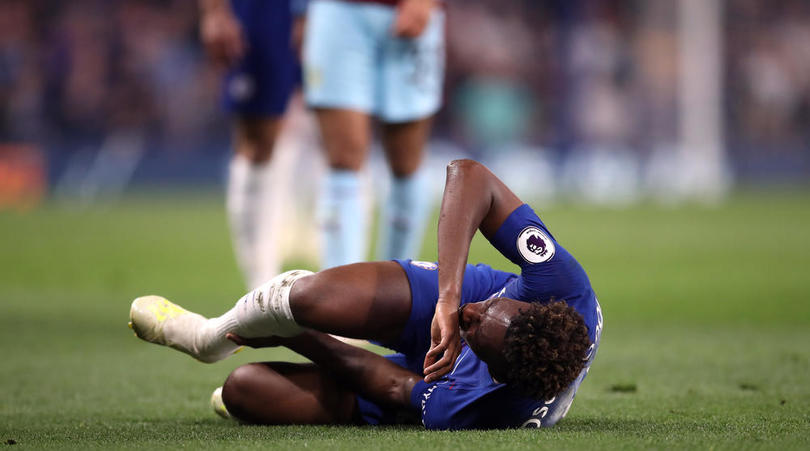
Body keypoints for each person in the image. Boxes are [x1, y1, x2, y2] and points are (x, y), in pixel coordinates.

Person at [129, 159, 603, 429]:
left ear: (495, 374)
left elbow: (391, 383)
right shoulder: (561, 285)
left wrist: (291, 336)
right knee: (310, 300)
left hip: (432, 377)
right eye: (491, 310)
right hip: (464, 300)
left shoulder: (479, 406)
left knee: (243, 392)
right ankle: (208, 337)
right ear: (529, 302)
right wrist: (449, 297)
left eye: (477, 331)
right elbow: (470, 176)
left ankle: (268, 319)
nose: (470, 317)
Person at [302, 0, 445, 267]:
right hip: (340, 12)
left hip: (410, 11)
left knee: (406, 160)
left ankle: (397, 287)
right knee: (342, 157)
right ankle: (340, 288)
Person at [199, 0, 306, 288]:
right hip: (264, 10)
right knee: (259, 140)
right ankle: (261, 284)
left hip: (341, 11)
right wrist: (215, 11)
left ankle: (346, 285)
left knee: (337, 134)